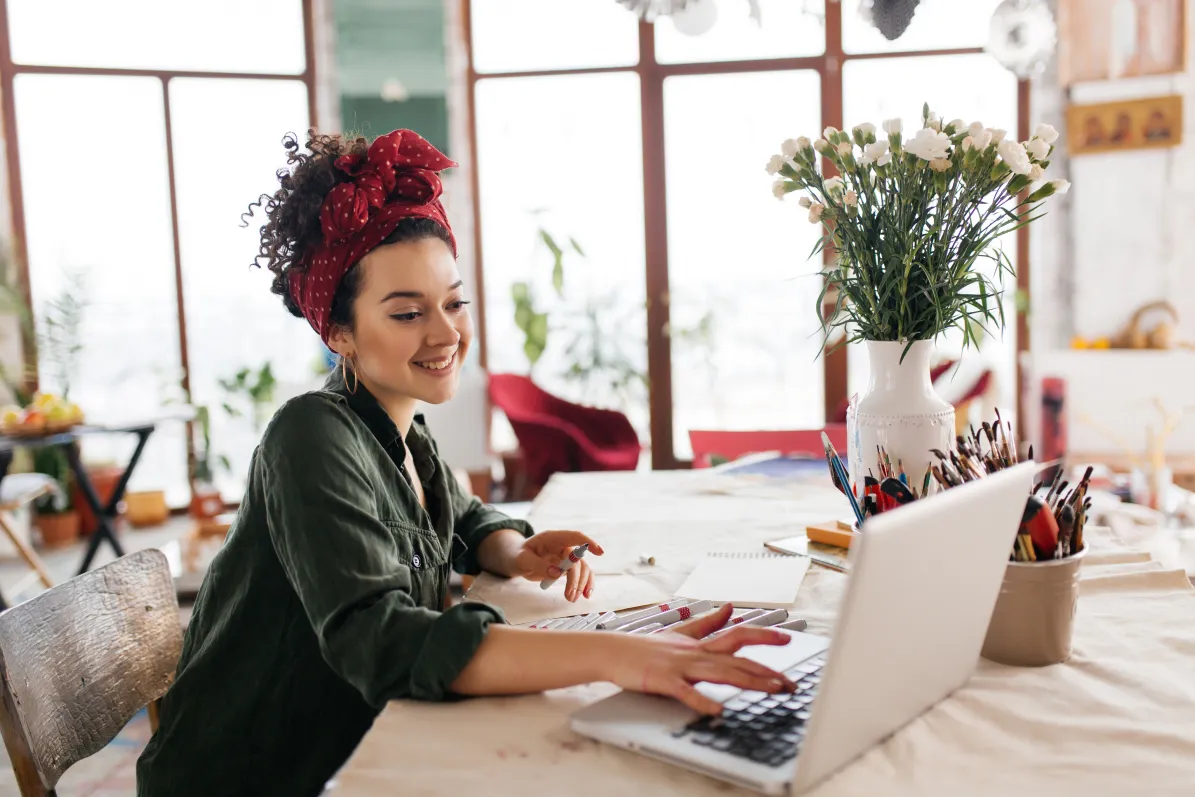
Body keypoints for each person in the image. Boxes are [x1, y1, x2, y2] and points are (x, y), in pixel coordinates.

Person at [136, 129, 795, 797]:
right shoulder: (308, 435)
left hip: (352, 741)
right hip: (261, 773)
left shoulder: (401, 430)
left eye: (454, 302)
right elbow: (384, 642)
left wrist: (515, 550)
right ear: (339, 335)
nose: (446, 332)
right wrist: (618, 653)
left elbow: (457, 518)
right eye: (406, 313)